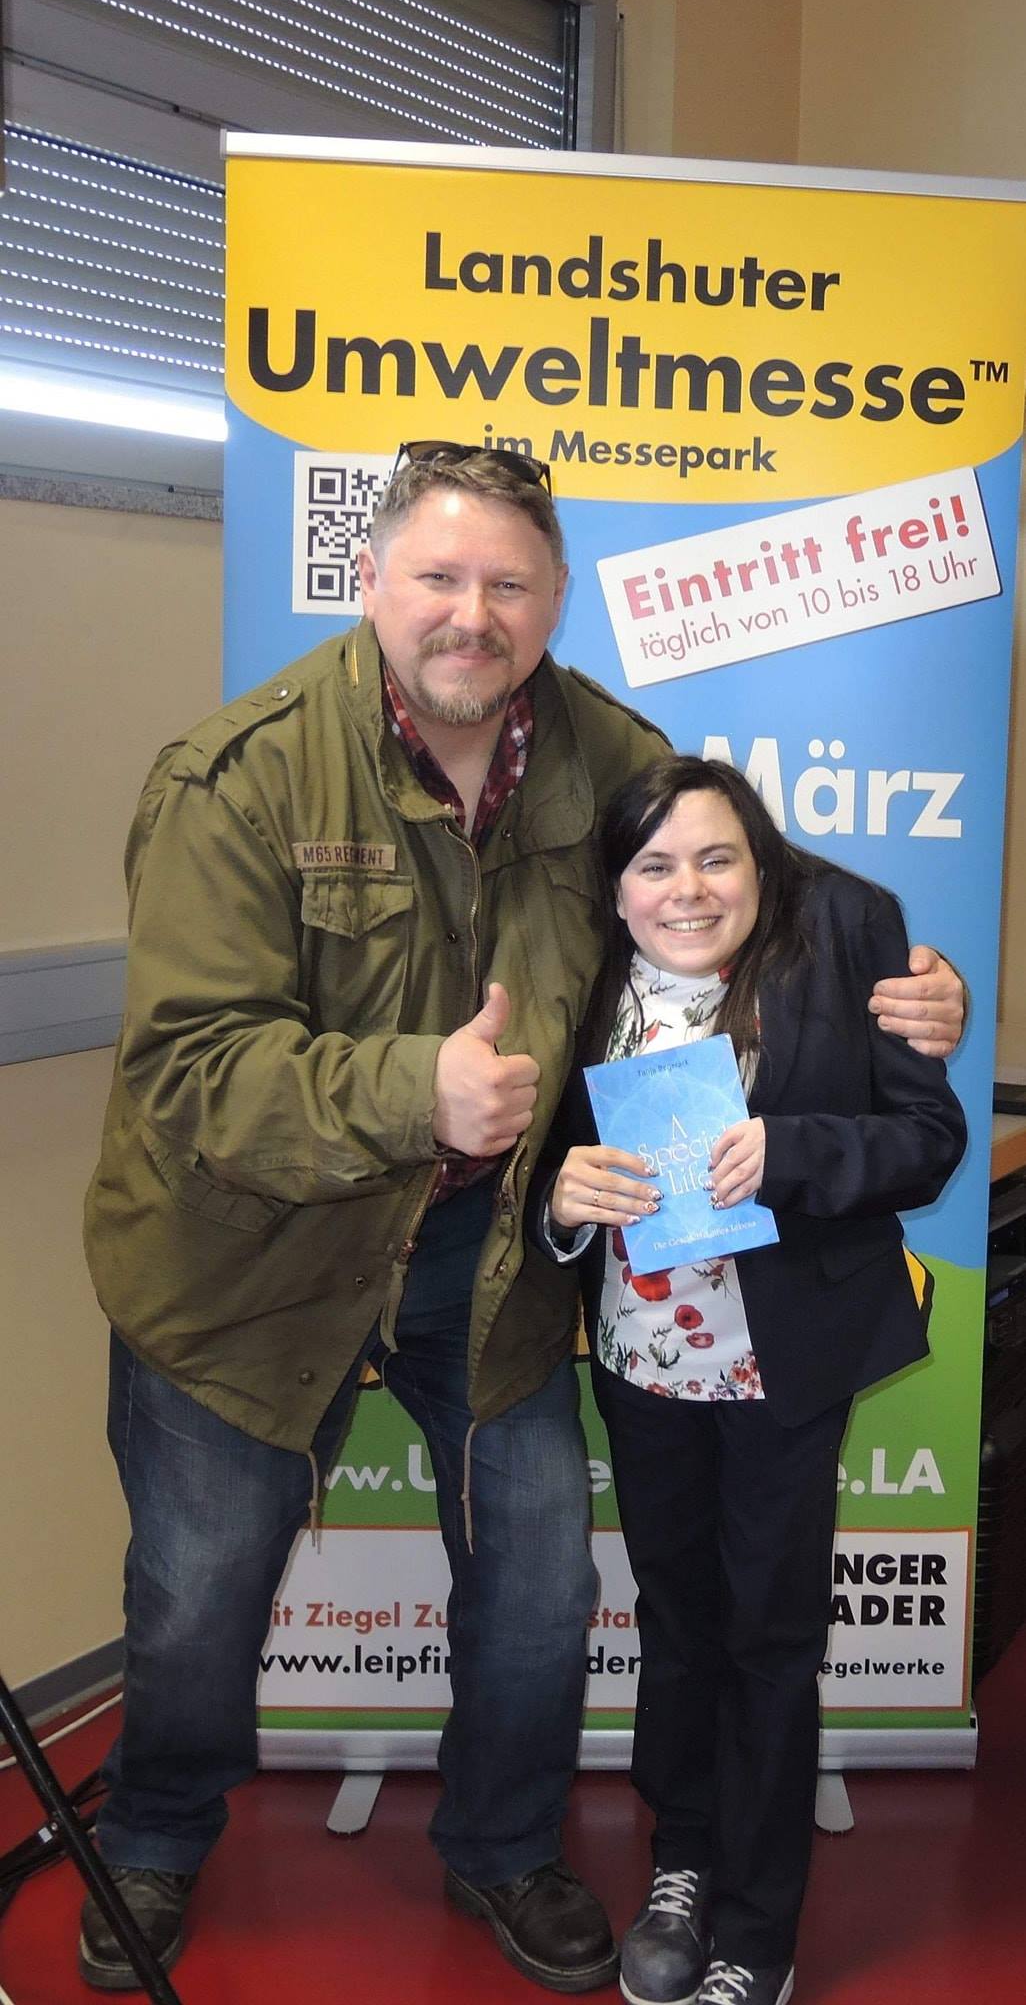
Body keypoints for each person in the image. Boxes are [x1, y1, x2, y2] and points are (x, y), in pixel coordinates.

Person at [79, 444, 965, 1994]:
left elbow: (729, 871)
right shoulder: (239, 777)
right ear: (370, 582)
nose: (471, 614)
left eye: (508, 584)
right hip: (248, 1255)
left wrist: (898, 973)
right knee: (200, 1587)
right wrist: (412, 1089)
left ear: (554, 601)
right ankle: (154, 1835)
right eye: (438, 576)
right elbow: (187, 1069)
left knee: (545, 1575)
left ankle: (500, 1845)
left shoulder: (606, 750)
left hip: (490, 1252)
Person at [532, 753, 967, 2005]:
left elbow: (928, 1139)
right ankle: (683, 1859)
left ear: (762, 862)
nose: (688, 888)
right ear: (617, 883)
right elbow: (543, 1155)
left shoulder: (846, 932)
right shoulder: (582, 965)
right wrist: (562, 1198)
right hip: (643, 1363)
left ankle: (758, 1925)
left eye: (718, 857)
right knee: (677, 1625)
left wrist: (792, 1150)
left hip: (782, 1365)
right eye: (655, 863)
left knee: (770, 1638)